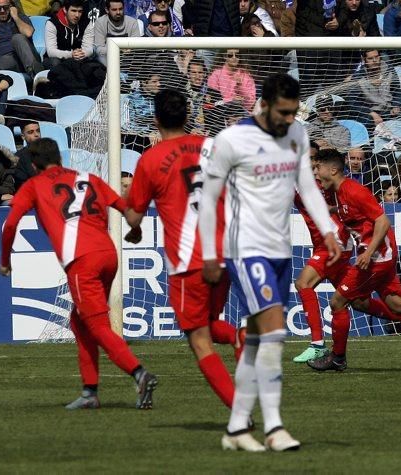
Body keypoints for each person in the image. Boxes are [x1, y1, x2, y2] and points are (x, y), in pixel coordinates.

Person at [198, 73, 340, 452]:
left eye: (294, 113)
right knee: (275, 335)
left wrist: (328, 229)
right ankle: (275, 427)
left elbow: (306, 185)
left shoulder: (296, 134)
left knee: (259, 340)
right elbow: (209, 199)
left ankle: (236, 429)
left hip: (279, 250)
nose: (288, 120)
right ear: (263, 105)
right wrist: (210, 255)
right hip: (246, 250)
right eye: (282, 113)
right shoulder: (232, 140)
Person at [0, 137, 158, 410]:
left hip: (81, 260)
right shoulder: (89, 178)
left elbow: (10, 223)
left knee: (97, 326)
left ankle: (139, 373)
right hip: (108, 255)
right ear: (59, 158)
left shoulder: (34, 184)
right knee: (79, 321)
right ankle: (89, 392)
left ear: (35, 165)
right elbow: (126, 210)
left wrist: (5, 260)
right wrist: (137, 229)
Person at [123, 88, 241, 413]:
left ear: (156, 119)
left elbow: (134, 215)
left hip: (191, 260)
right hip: (227, 252)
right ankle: (241, 338)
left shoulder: (151, 159)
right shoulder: (214, 146)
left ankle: (239, 411)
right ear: (188, 116)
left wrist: (119, 202)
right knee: (211, 323)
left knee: (198, 339)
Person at [306, 150, 401, 373]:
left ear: (333, 170)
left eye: (319, 168)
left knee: (337, 302)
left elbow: (383, 221)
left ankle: (337, 358)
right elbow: (352, 213)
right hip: (379, 255)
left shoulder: (354, 190)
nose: (316, 172)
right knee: (395, 305)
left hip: (376, 257)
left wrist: (368, 252)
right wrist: (330, 210)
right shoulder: (338, 193)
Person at [291, 149, 354, 363]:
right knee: (353, 301)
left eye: (313, 161)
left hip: (333, 243)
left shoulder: (320, 183)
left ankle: (317, 344)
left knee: (303, 283)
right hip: (333, 243)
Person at [0, 0, 44, 76]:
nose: (2, 11)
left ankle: (37, 76)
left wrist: (15, 17)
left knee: (17, 38)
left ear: (10, 8)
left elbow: (28, 33)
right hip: (9, 61)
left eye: (5, 7)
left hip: (29, 56)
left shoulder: (21, 18)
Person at [43, 0, 94, 69]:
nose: (77, 15)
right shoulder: (52, 23)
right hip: (57, 59)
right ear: (65, 10)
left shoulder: (86, 23)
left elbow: (89, 49)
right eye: (73, 11)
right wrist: (71, 54)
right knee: (55, 63)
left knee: (92, 64)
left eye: (80, 11)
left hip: (78, 59)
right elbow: (51, 51)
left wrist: (81, 54)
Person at [92, 0, 139, 67]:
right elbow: (99, 49)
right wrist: (119, 49)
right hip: (106, 63)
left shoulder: (132, 23)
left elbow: (137, 47)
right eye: (114, 10)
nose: (118, 12)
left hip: (128, 63)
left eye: (120, 9)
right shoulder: (100, 23)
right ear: (107, 10)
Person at [13, 119, 40, 190]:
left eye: (38, 131)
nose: (36, 135)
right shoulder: (18, 157)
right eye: (31, 132)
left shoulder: (50, 152)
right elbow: (22, 184)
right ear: (23, 136)